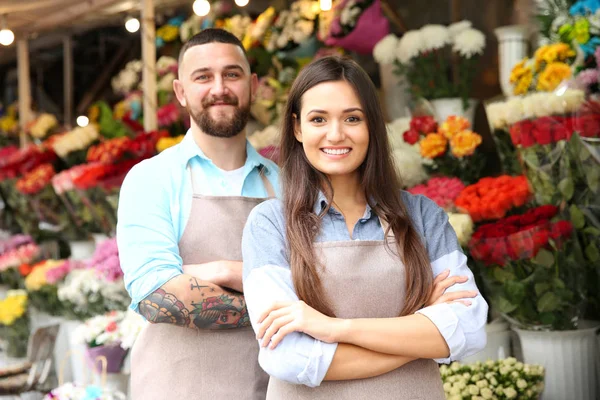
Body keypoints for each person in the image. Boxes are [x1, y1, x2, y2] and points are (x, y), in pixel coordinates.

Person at [241, 56, 488, 399]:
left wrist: (332, 328)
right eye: (318, 119)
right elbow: (289, 357)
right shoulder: (270, 224)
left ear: (372, 124)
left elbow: (470, 327)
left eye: (352, 118)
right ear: (297, 128)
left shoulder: (422, 216)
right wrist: (422, 332)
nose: (336, 134)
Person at [117, 29, 278, 400]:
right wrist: (282, 308)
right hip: (178, 387)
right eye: (203, 76)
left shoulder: (285, 184)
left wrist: (221, 272)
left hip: (272, 389)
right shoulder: (151, 178)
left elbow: (314, 281)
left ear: (252, 85)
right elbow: (157, 297)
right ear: (180, 92)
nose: (219, 88)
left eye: (232, 74)